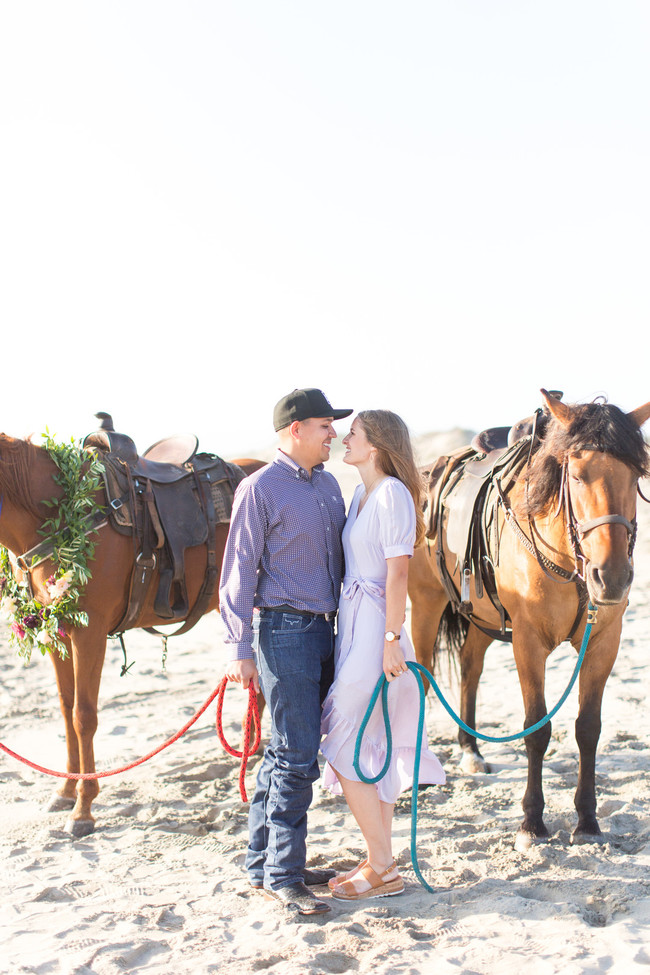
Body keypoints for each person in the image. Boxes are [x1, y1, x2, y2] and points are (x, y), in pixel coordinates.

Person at [219, 387, 353, 916]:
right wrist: (238, 647)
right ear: (296, 428)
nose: (334, 434)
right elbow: (238, 571)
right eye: (325, 425)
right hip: (284, 632)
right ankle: (284, 874)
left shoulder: (329, 488)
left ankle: (265, 862)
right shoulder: (260, 489)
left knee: (284, 753)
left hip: (327, 632)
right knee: (297, 756)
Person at [320, 410, 446, 901]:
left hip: (378, 625)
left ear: (374, 447)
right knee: (372, 740)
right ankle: (380, 861)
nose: (343, 439)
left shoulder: (392, 493)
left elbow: (398, 575)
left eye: (352, 434)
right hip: (353, 623)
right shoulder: (359, 494)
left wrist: (392, 640)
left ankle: (382, 864)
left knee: (345, 736)